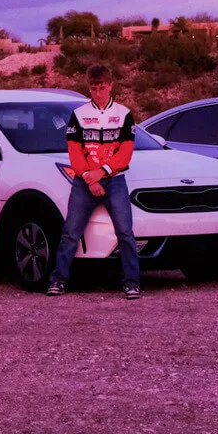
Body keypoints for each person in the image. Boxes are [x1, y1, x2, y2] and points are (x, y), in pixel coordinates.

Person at [46, 64, 142, 300]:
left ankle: (132, 283)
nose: (98, 92)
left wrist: (104, 172)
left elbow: (126, 151)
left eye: (102, 87)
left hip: (115, 180)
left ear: (110, 85)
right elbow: (74, 150)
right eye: (93, 87)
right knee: (70, 232)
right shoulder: (78, 115)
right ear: (88, 87)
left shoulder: (123, 114)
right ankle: (58, 280)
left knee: (126, 233)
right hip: (84, 181)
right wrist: (90, 177)